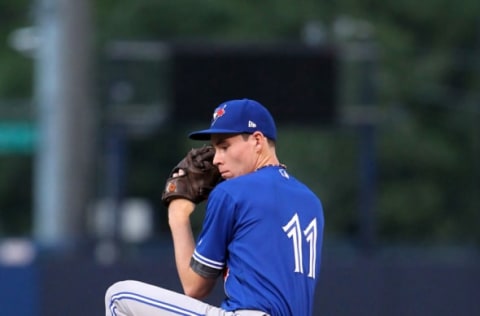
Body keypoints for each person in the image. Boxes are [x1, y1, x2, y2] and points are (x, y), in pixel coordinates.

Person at [105, 98, 325, 316]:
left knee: (119, 297)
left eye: (224, 146)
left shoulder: (232, 192)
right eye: (214, 148)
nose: (217, 159)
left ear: (257, 141)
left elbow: (195, 287)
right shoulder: (312, 202)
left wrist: (178, 215)